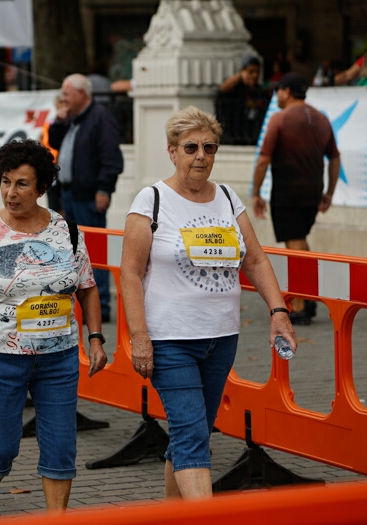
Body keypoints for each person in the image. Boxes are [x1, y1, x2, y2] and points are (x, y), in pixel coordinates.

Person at [120, 106, 297, 500]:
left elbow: (254, 258)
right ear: (172, 151)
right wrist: (139, 336)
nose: (201, 155)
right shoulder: (150, 201)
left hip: (221, 337)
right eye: (191, 147)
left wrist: (279, 310)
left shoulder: (229, 198)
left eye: (209, 147)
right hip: (171, 339)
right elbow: (129, 273)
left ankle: (173, 520)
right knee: (191, 435)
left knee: (193, 431)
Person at [0, 139, 108, 523]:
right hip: (0, 358)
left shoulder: (66, 230)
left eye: (22, 183)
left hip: (59, 357)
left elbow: (87, 288)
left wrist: (95, 338)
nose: (11, 192)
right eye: (5, 181)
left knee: (60, 447)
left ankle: (56, 523)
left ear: (41, 188)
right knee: (0, 449)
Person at [251, 73, 340, 325]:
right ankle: (310, 298)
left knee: (294, 244)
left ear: (287, 92)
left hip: (287, 191)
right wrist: (329, 192)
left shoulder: (280, 119)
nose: (276, 95)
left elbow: (264, 160)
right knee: (300, 240)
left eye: (278, 90)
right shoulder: (321, 119)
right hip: (313, 191)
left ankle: (300, 305)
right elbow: (334, 158)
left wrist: (256, 193)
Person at [48, 73, 123, 322]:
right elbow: (56, 143)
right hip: (69, 193)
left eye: (67, 93)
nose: (63, 98)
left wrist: (104, 190)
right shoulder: (72, 118)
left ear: (82, 93)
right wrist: (59, 121)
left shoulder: (100, 118)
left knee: (94, 250)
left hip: (89, 195)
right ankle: (82, 302)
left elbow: (111, 158)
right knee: (75, 251)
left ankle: (100, 307)